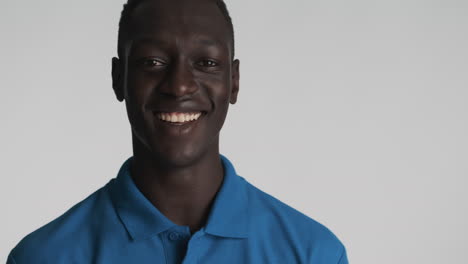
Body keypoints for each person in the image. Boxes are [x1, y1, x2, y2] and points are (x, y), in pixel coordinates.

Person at [7, 0, 348, 263]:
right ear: (118, 78)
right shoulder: (45, 256)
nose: (180, 85)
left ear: (234, 81)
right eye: (153, 62)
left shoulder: (311, 253)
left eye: (206, 63)